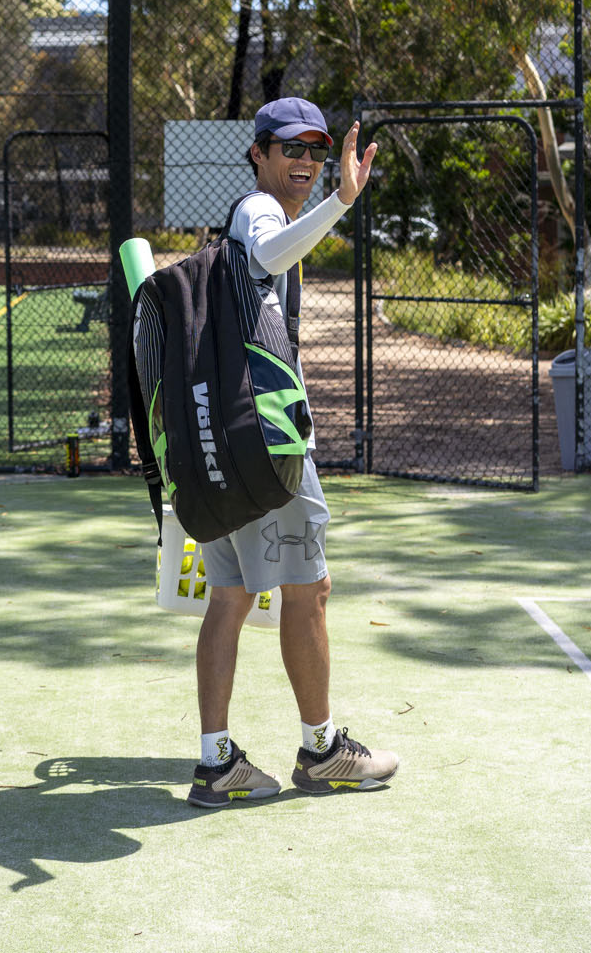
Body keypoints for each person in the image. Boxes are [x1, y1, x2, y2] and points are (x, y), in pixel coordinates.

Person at [187, 98, 400, 808]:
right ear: (259, 153)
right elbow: (269, 251)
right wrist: (342, 199)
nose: (305, 161)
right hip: (268, 443)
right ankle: (322, 752)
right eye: (291, 149)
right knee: (309, 594)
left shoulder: (260, 213)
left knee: (232, 596)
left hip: (224, 435)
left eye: (315, 149)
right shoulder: (259, 212)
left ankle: (217, 763)